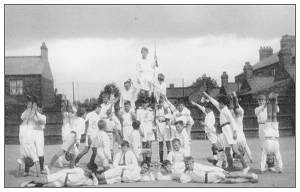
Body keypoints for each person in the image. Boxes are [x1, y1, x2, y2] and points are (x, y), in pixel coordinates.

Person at [204, 92, 250, 173]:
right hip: (224, 131)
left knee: (235, 150)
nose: (219, 104)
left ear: (222, 103)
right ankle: (230, 166)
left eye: (220, 103)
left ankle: (245, 166)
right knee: (227, 150)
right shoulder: (223, 109)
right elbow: (215, 103)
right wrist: (208, 96)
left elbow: (232, 121)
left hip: (229, 131)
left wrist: (235, 132)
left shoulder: (226, 111)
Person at [46, 108, 84, 174]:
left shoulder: (75, 118)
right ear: (83, 114)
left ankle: (72, 168)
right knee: (62, 151)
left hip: (72, 136)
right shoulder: (80, 120)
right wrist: (78, 141)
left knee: (73, 154)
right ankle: (49, 167)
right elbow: (79, 131)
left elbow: (72, 112)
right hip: (73, 136)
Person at [179, 157, 258, 184]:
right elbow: (182, 180)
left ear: (193, 162)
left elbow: (209, 168)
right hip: (209, 181)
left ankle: (251, 175)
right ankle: (249, 180)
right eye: (186, 164)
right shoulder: (188, 173)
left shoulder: (198, 166)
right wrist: (185, 170)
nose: (188, 165)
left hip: (212, 174)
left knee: (230, 175)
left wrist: (220, 170)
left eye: (189, 164)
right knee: (230, 181)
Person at [260, 92, 283, 173]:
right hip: (275, 135)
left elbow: (263, 159)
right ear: (273, 158)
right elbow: (279, 158)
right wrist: (280, 168)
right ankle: (274, 99)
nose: (270, 158)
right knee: (274, 116)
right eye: (271, 159)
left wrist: (262, 169)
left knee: (270, 116)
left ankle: (270, 100)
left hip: (268, 134)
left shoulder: (265, 151)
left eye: (268, 159)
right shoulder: (276, 151)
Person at [18, 95, 39, 177]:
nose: (28, 104)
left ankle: (37, 174)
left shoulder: (34, 110)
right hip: (24, 131)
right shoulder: (27, 111)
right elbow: (24, 118)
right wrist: (28, 109)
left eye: (30, 102)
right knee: (26, 151)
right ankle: (28, 171)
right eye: (28, 102)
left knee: (30, 151)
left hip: (28, 131)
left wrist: (32, 107)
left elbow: (30, 117)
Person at [230, 92, 253, 163]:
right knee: (245, 146)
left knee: (232, 147)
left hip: (236, 134)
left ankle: (231, 158)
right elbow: (237, 107)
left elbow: (234, 108)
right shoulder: (240, 115)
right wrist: (234, 98)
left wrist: (233, 98)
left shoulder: (233, 116)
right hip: (240, 134)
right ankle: (250, 158)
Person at [21, 167, 98, 187]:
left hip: (62, 184)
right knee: (41, 181)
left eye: (90, 171)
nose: (87, 170)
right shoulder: (80, 170)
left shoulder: (87, 180)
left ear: (91, 172)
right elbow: (67, 170)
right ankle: (29, 182)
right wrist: (56, 175)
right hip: (62, 176)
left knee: (46, 186)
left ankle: (32, 186)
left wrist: (94, 176)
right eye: (88, 169)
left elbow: (95, 184)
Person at [31, 96, 47, 174]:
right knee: (30, 151)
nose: (40, 109)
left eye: (41, 108)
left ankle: (41, 169)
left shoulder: (43, 117)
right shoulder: (33, 115)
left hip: (40, 135)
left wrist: (35, 110)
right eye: (38, 108)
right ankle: (26, 170)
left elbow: (40, 121)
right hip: (32, 134)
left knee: (40, 152)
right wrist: (34, 108)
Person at [136, 98, 155, 162]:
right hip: (142, 128)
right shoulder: (138, 111)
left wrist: (154, 129)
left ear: (148, 103)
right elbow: (138, 122)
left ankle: (149, 161)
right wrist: (140, 131)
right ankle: (144, 161)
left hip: (149, 129)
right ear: (142, 104)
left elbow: (153, 121)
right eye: (143, 103)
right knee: (144, 146)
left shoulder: (151, 110)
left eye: (146, 103)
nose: (145, 104)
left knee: (149, 145)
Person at [156, 99, 173, 163]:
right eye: (160, 102)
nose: (161, 104)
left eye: (162, 102)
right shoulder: (157, 109)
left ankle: (169, 159)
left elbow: (169, 117)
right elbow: (156, 118)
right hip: (159, 125)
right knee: (160, 142)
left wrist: (164, 116)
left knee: (167, 142)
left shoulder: (166, 109)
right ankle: (161, 160)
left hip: (165, 125)